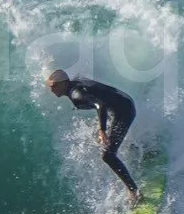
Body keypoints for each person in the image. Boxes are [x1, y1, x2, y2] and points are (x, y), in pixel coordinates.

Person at [46, 69, 142, 202]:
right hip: (123, 101)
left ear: (64, 83)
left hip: (124, 111)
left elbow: (100, 104)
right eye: (50, 87)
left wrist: (102, 130)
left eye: (54, 86)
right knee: (106, 138)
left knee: (108, 155)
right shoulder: (76, 82)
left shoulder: (75, 93)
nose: (52, 90)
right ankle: (139, 150)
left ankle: (134, 192)